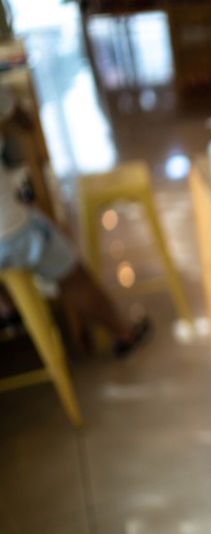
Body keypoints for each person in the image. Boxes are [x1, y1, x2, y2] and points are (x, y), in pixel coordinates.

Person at [0, 84, 149, 357]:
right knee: (75, 278)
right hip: (13, 232)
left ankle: (8, 306)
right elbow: (26, 122)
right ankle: (123, 333)